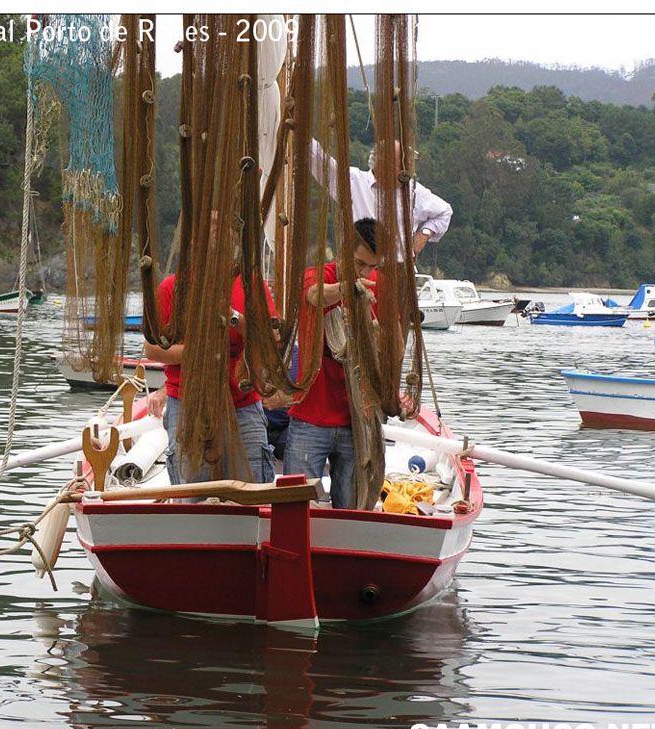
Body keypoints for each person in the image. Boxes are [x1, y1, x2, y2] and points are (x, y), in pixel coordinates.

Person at [145, 270, 278, 487]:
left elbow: (271, 339)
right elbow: (152, 349)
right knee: (193, 496)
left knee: (253, 495)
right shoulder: (171, 287)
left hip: (243, 407)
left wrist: (232, 316)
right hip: (188, 408)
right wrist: (199, 350)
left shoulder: (251, 285)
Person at [282, 217, 380, 510]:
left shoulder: (376, 288)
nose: (366, 272)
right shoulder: (318, 276)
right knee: (297, 509)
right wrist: (351, 288)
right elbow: (315, 296)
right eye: (359, 264)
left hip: (355, 420)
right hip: (310, 419)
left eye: (372, 267)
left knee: (352, 509)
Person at [310, 138, 452, 261]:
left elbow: (444, 212)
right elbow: (319, 160)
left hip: (399, 270)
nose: (407, 171)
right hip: (359, 269)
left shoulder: (414, 191)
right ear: (382, 163)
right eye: (402, 165)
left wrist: (424, 234)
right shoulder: (353, 182)